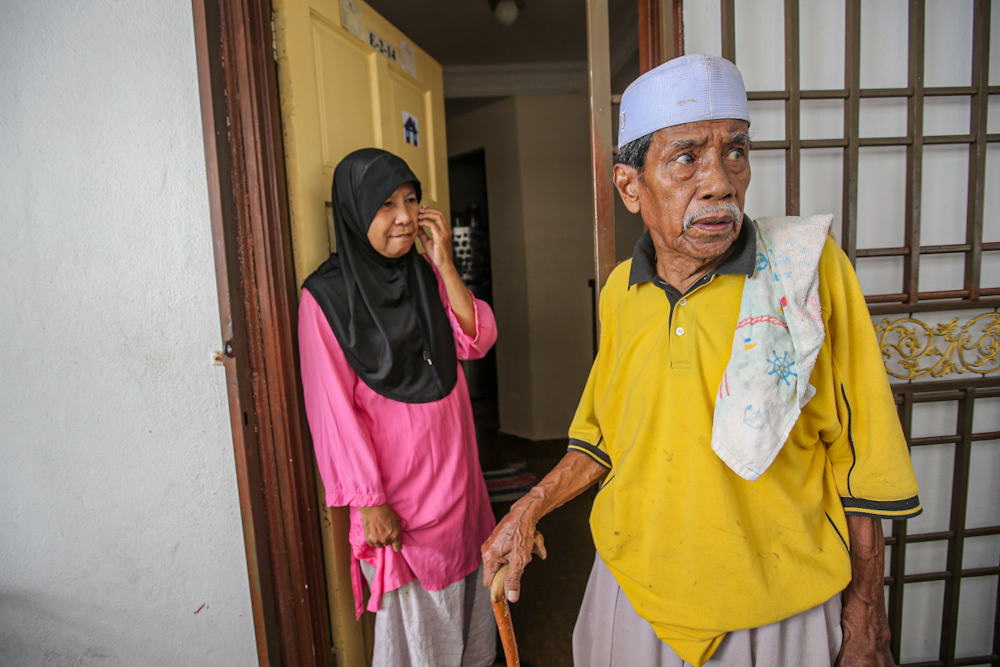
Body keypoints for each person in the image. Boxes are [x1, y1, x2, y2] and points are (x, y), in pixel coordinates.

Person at [482, 55, 921, 667]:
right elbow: (602, 438)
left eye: (735, 151)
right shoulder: (620, 293)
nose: (719, 181)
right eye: (687, 157)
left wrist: (867, 616)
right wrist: (527, 509)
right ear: (630, 185)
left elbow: (863, 457)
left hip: (775, 605)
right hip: (634, 590)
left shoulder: (808, 273)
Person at [299, 148, 497, 667]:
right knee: (417, 629)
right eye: (386, 205)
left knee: (469, 604)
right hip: (399, 498)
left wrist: (446, 265)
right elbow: (331, 411)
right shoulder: (326, 297)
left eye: (411, 200)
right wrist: (368, 501)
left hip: (457, 478)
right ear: (354, 211)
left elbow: (476, 340)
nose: (406, 217)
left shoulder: (425, 273)